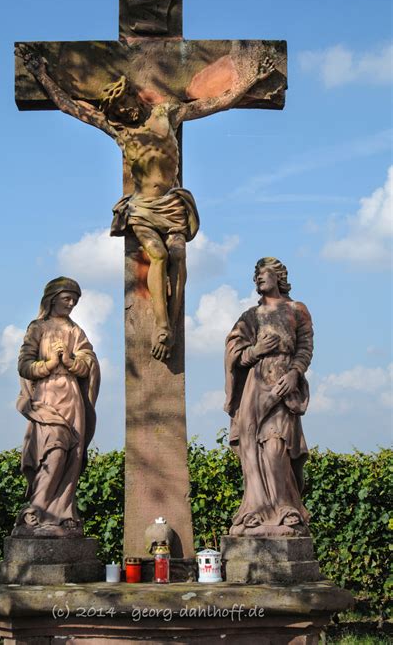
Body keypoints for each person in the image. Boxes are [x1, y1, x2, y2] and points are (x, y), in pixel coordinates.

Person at [19, 47, 275, 361]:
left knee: (178, 254)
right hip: (141, 208)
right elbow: (75, 108)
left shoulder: (167, 114)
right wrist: (42, 76)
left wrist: (249, 83)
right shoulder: (124, 135)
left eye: (125, 106)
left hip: (171, 204)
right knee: (157, 254)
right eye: (118, 112)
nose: (124, 114)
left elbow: (212, 104)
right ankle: (162, 325)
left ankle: (172, 320)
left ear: (133, 97)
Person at [224, 258, 313, 536]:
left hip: (284, 384)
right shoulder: (251, 316)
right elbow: (234, 352)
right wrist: (256, 350)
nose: (259, 279)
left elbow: (305, 346)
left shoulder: (296, 310)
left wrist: (295, 373)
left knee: (276, 447)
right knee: (251, 449)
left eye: (264, 275)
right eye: (257, 276)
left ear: (279, 277)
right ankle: (257, 510)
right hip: (256, 384)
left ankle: (285, 508)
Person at [13, 277, 100, 538]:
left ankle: (63, 511)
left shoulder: (76, 331)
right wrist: (49, 363)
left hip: (72, 397)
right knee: (54, 449)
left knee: (73, 453)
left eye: (75, 299)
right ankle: (37, 508)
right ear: (52, 298)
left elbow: (88, 364)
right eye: (67, 298)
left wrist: (72, 361)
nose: (71, 303)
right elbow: (24, 365)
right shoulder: (38, 328)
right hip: (47, 395)